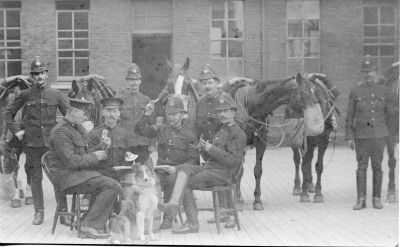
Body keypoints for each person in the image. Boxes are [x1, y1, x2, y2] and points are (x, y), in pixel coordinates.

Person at [158, 93, 247, 234]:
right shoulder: (221, 130)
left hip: (223, 175)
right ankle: (173, 204)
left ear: (233, 112)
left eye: (225, 111)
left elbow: (233, 161)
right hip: (210, 169)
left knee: (185, 181)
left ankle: (192, 222)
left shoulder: (238, 134)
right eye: (219, 111)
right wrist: (203, 149)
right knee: (184, 170)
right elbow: (211, 157)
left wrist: (211, 148)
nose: (221, 114)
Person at [4, 56, 69, 225]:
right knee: (35, 179)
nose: (39, 77)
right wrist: (17, 131)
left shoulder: (56, 94)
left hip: (51, 146)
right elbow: (7, 113)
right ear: (32, 76)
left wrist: (60, 132)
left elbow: (70, 115)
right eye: (36, 74)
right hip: (32, 145)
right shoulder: (25, 95)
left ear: (47, 74)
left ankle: (63, 213)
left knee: (58, 178)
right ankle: (38, 212)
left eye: (42, 73)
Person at [48, 98, 122, 239]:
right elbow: (72, 161)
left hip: (77, 174)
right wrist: (94, 156)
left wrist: (100, 147)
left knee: (108, 182)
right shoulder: (61, 132)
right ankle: (89, 226)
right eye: (84, 113)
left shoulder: (77, 128)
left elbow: (82, 154)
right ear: (73, 112)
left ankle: (85, 221)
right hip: (66, 177)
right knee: (112, 185)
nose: (86, 117)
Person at [134, 95, 199, 230]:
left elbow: (194, 162)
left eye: (175, 114)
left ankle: (168, 218)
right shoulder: (161, 129)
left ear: (182, 115)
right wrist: (146, 114)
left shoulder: (190, 135)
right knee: (145, 179)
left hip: (177, 173)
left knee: (172, 179)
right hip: (160, 171)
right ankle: (146, 217)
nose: (171, 117)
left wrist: (177, 168)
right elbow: (139, 130)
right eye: (169, 114)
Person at [345, 55, 397, 210]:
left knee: (377, 166)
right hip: (361, 136)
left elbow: (392, 113)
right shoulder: (355, 91)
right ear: (362, 73)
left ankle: (376, 198)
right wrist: (349, 137)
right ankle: (361, 200)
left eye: (371, 71)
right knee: (361, 167)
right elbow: (349, 115)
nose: (368, 75)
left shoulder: (385, 91)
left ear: (376, 72)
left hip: (379, 136)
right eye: (365, 72)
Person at [191, 65, 236, 224]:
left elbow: (235, 123)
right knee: (213, 178)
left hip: (226, 149)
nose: (207, 86)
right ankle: (221, 212)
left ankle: (230, 214)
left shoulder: (225, 98)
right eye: (204, 83)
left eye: (210, 82)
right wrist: (195, 144)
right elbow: (196, 126)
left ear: (216, 82)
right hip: (209, 150)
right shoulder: (200, 102)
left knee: (225, 178)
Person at [117, 63, 152, 165]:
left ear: (140, 81)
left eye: (136, 80)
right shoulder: (120, 100)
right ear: (127, 81)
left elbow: (151, 123)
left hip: (143, 144)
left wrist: (152, 144)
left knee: (144, 173)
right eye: (131, 80)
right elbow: (118, 123)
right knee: (127, 173)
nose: (134, 83)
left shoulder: (146, 100)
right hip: (127, 144)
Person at [88, 97, 129, 180]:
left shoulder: (124, 133)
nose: (112, 115)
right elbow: (88, 157)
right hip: (100, 176)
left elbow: (129, 155)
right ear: (103, 112)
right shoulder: (94, 133)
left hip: (120, 175)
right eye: (109, 111)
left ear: (119, 113)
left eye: (115, 111)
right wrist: (100, 147)